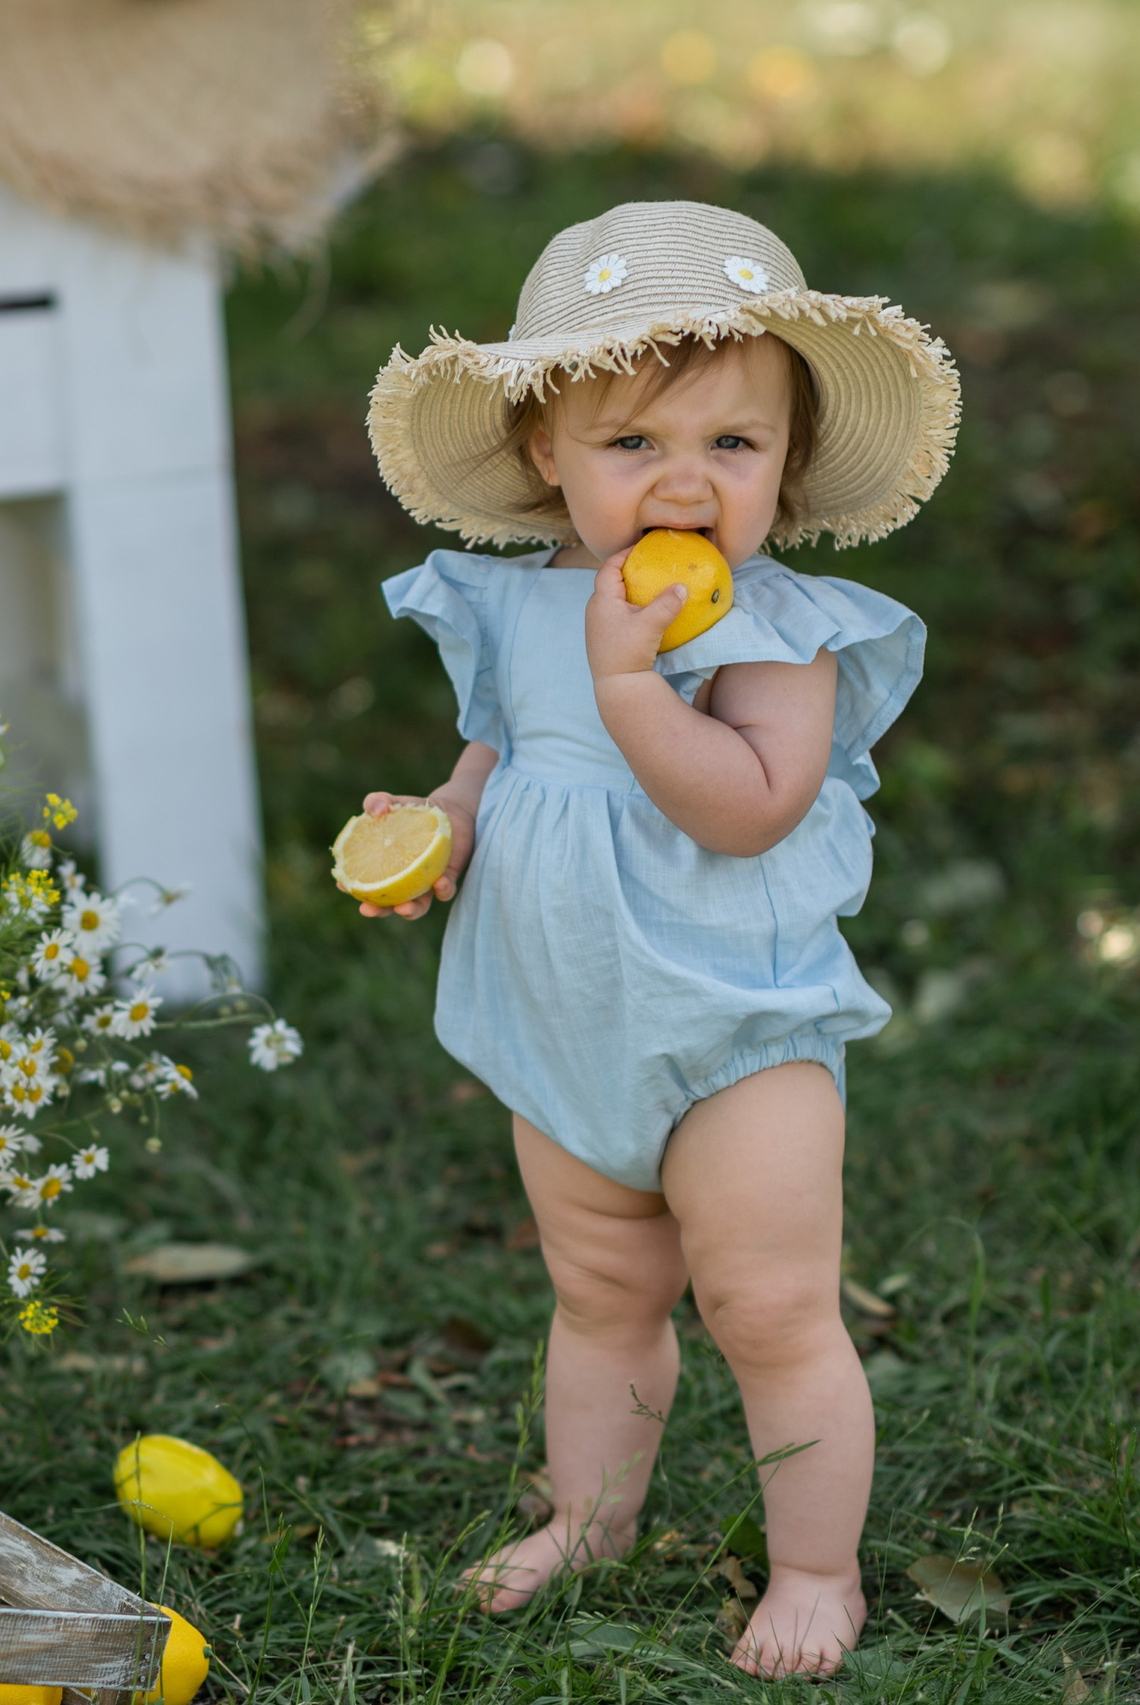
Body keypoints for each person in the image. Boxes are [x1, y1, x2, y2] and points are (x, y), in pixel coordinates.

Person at [350, 200, 960, 1677]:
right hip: (566, 1020)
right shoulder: (516, 605)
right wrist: (439, 819)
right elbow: (503, 748)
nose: (684, 482)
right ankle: (589, 1514)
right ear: (546, 453)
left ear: (784, 468)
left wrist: (637, 688)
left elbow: (753, 806)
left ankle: (816, 1566)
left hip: (734, 1029)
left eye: (730, 448)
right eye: (634, 446)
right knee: (601, 1289)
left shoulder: (778, 631)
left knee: (766, 1301)